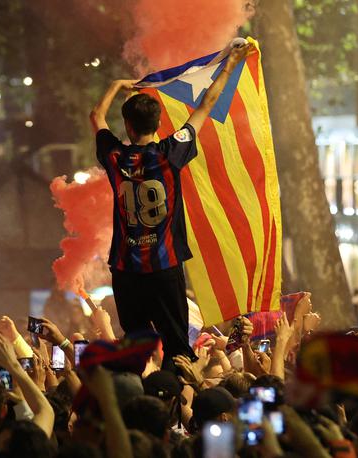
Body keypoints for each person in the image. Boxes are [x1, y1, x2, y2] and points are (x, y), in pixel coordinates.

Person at [89, 42, 252, 371]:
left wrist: (116, 86)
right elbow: (206, 103)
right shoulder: (170, 153)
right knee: (178, 345)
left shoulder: (114, 155)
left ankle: (139, 397)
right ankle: (180, 405)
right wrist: (232, 62)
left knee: (134, 346)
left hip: (126, 269)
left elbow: (95, 116)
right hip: (164, 266)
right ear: (158, 123)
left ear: (128, 127)